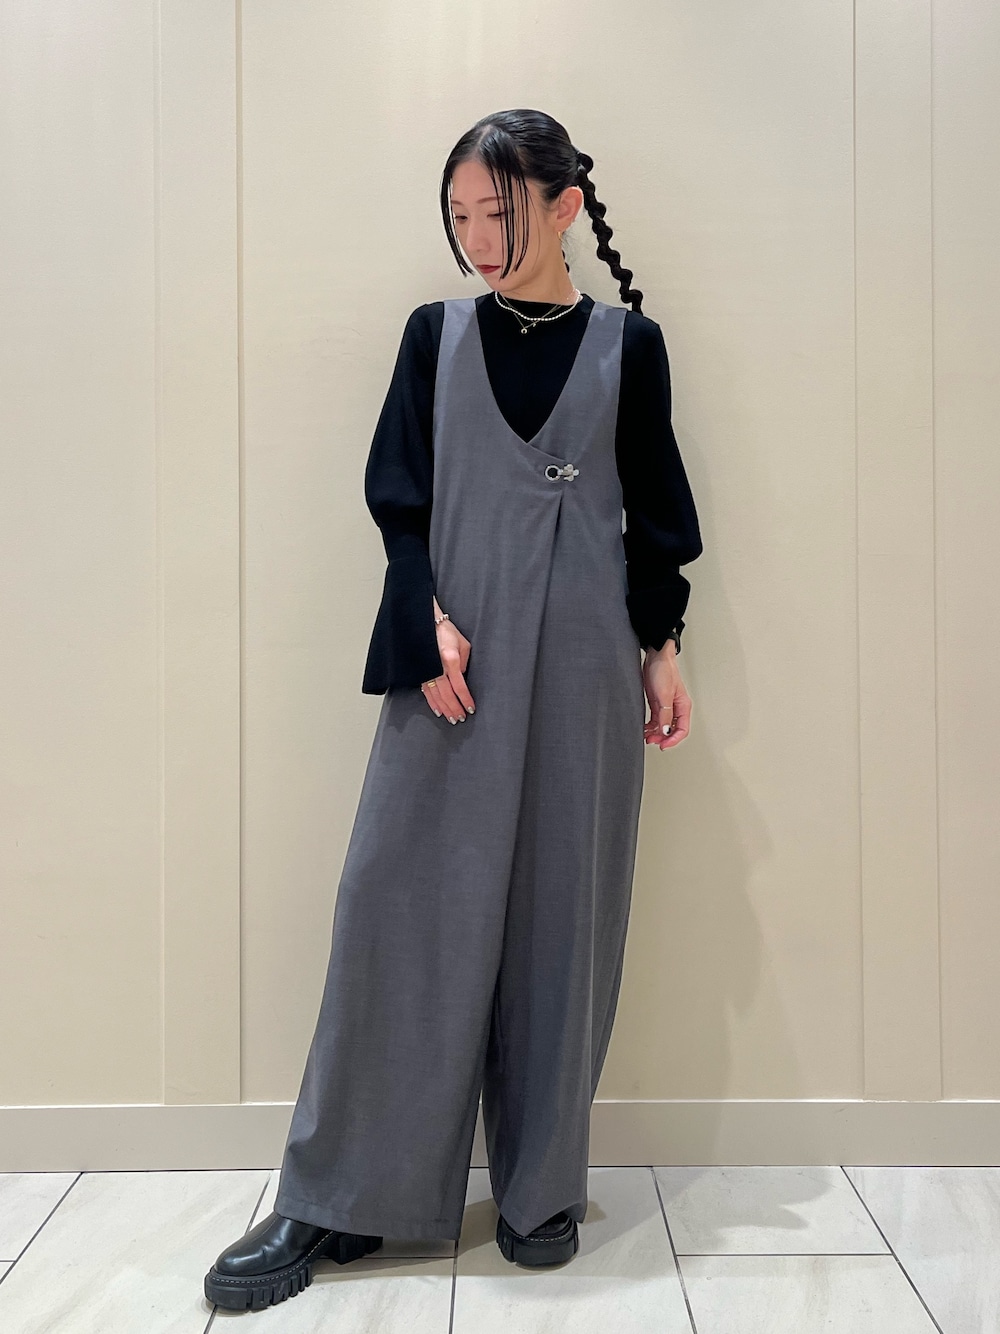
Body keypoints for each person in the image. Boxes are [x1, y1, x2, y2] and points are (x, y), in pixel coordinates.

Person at [204, 107, 703, 1314]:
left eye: (501, 212)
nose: (478, 238)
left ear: (565, 205)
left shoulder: (629, 347)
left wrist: (663, 645)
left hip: (586, 669)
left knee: (564, 918)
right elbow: (400, 504)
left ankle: (540, 1187)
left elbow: (655, 512)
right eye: (461, 215)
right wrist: (418, 616)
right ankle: (341, 1195)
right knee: (397, 908)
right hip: (453, 666)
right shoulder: (435, 337)